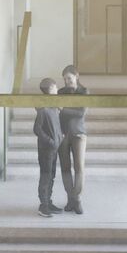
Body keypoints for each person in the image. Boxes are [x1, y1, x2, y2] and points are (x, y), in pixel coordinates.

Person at [56, 66, 88, 215]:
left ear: (77, 76)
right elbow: (56, 111)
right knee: (65, 167)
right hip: (62, 133)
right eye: (65, 79)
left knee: (79, 167)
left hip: (79, 133)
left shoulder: (84, 92)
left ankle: (77, 198)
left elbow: (80, 113)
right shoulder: (60, 92)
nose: (67, 81)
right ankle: (70, 199)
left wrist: (63, 109)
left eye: (69, 78)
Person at [32, 78, 64, 218]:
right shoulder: (43, 109)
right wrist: (51, 141)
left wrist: (59, 138)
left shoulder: (53, 107)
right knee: (46, 175)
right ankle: (43, 206)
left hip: (53, 148)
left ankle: (48, 202)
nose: (57, 90)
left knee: (51, 175)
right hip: (46, 149)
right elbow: (37, 129)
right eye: (55, 87)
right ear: (51, 89)